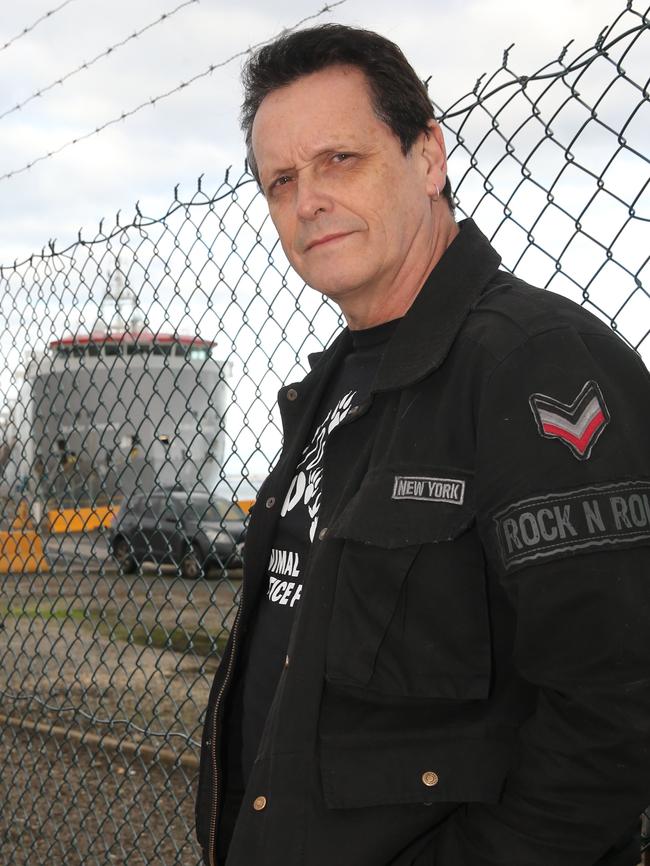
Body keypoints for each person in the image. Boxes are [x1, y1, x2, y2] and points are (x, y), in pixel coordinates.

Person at [196, 24, 650, 866]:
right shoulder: (333, 384)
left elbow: (618, 708)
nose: (306, 202)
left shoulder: (530, 361)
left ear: (429, 157)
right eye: (281, 180)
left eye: (340, 160)